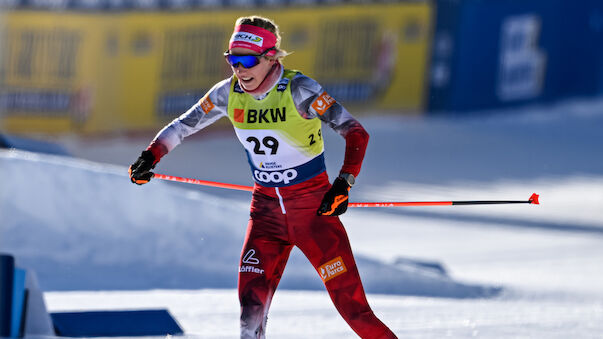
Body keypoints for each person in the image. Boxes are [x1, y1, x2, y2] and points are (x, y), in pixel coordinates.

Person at [129, 15, 397, 339]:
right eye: (232, 60)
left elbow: (356, 133)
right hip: (266, 214)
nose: (239, 70)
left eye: (247, 60)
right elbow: (183, 125)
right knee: (249, 316)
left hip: (313, 214)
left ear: (271, 57)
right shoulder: (227, 93)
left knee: (354, 311)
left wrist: (344, 182)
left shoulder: (300, 89)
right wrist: (150, 155)